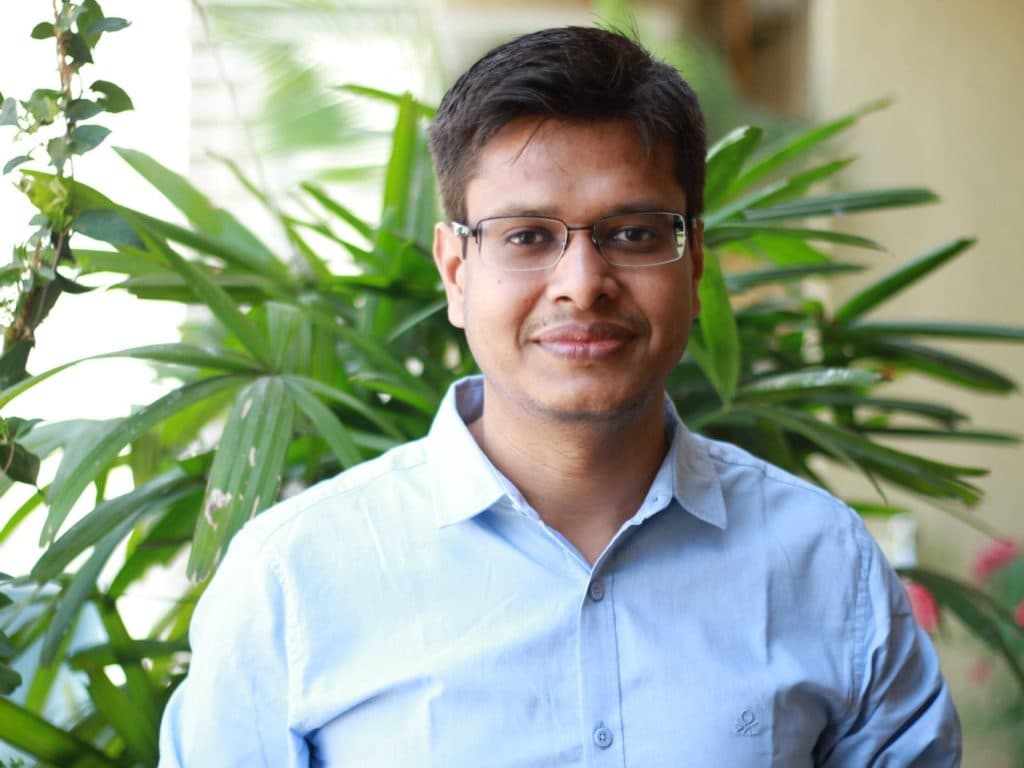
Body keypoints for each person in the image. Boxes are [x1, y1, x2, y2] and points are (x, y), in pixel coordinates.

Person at [158, 26, 961, 767]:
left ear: (693, 265)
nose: (582, 284)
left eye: (634, 234)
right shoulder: (293, 580)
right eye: (527, 237)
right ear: (456, 272)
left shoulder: (825, 562)